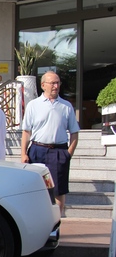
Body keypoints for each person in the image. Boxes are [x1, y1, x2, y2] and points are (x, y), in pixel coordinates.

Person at [21, 71, 80, 216]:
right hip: (37, 150)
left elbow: (74, 133)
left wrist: (68, 154)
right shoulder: (33, 105)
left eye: (58, 82)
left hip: (58, 151)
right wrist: (23, 153)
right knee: (34, 188)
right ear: (43, 85)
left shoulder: (66, 106)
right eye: (52, 83)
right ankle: (36, 220)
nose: (56, 86)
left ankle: (57, 223)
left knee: (58, 190)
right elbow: (26, 132)